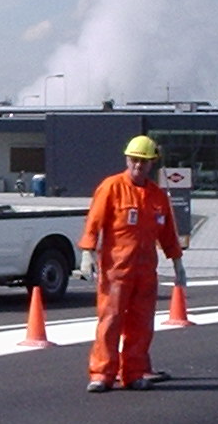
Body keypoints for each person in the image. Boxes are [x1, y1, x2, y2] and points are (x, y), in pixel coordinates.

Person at [76, 135, 186, 392]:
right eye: (135, 160)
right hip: (116, 270)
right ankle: (102, 374)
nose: (138, 165)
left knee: (141, 324)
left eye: (144, 161)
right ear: (127, 159)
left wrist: (178, 263)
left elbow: (168, 232)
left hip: (145, 271)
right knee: (110, 321)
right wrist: (87, 253)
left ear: (151, 165)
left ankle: (134, 372)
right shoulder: (111, 187)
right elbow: (95, 221)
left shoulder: (157, 196)